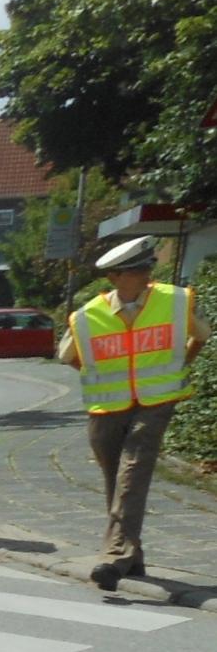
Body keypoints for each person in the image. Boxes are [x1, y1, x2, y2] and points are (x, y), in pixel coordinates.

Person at [57, 236, 209, 589]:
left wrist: (180, 365)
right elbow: (68, 355)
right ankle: (133, 555)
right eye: (137, 270)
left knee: (134, 470)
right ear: (115, 277)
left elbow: (201, 335)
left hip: (156, 402)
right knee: (117, 479)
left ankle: (113, 558)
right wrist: (99, 377)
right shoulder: (87, 315)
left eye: (147, 267)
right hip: (106, 406)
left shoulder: (174, 301)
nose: (146, 274)